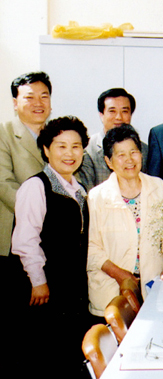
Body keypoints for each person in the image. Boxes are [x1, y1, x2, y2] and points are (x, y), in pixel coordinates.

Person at [10, 116, 93, 377]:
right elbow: (25, 240)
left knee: (67, 356)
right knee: (43, 357)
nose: (70, 154)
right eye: (61, 146)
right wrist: (38, 281)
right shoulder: (36, 187)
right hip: (45, 289)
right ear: (46, 150)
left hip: (71, 290)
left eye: (76, 146)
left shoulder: (79, 190)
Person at [87, 124, 163, 317]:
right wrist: (122, 276)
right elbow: (92, 248)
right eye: (120, 155)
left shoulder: (159, 188)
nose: (129, 160)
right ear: (109, 161)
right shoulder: (97, 196)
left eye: (134, 152)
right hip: (110, 288)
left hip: (153, 285)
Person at [0, 72, 51, 260]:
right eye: (29, 98)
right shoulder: (3, 132)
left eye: (44, 97)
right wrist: (46, 215)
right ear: (15, 103)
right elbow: (4, 184)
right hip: (14, 235)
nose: (38, 103)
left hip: (52, 240)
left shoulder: (58, 135)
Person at [79, 88, 148, 191]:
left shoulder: (145, 149)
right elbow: (87, 194)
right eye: (112, 111)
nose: (118, 117)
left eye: (124, 111)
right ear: (101, 115)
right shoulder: (88, 150)